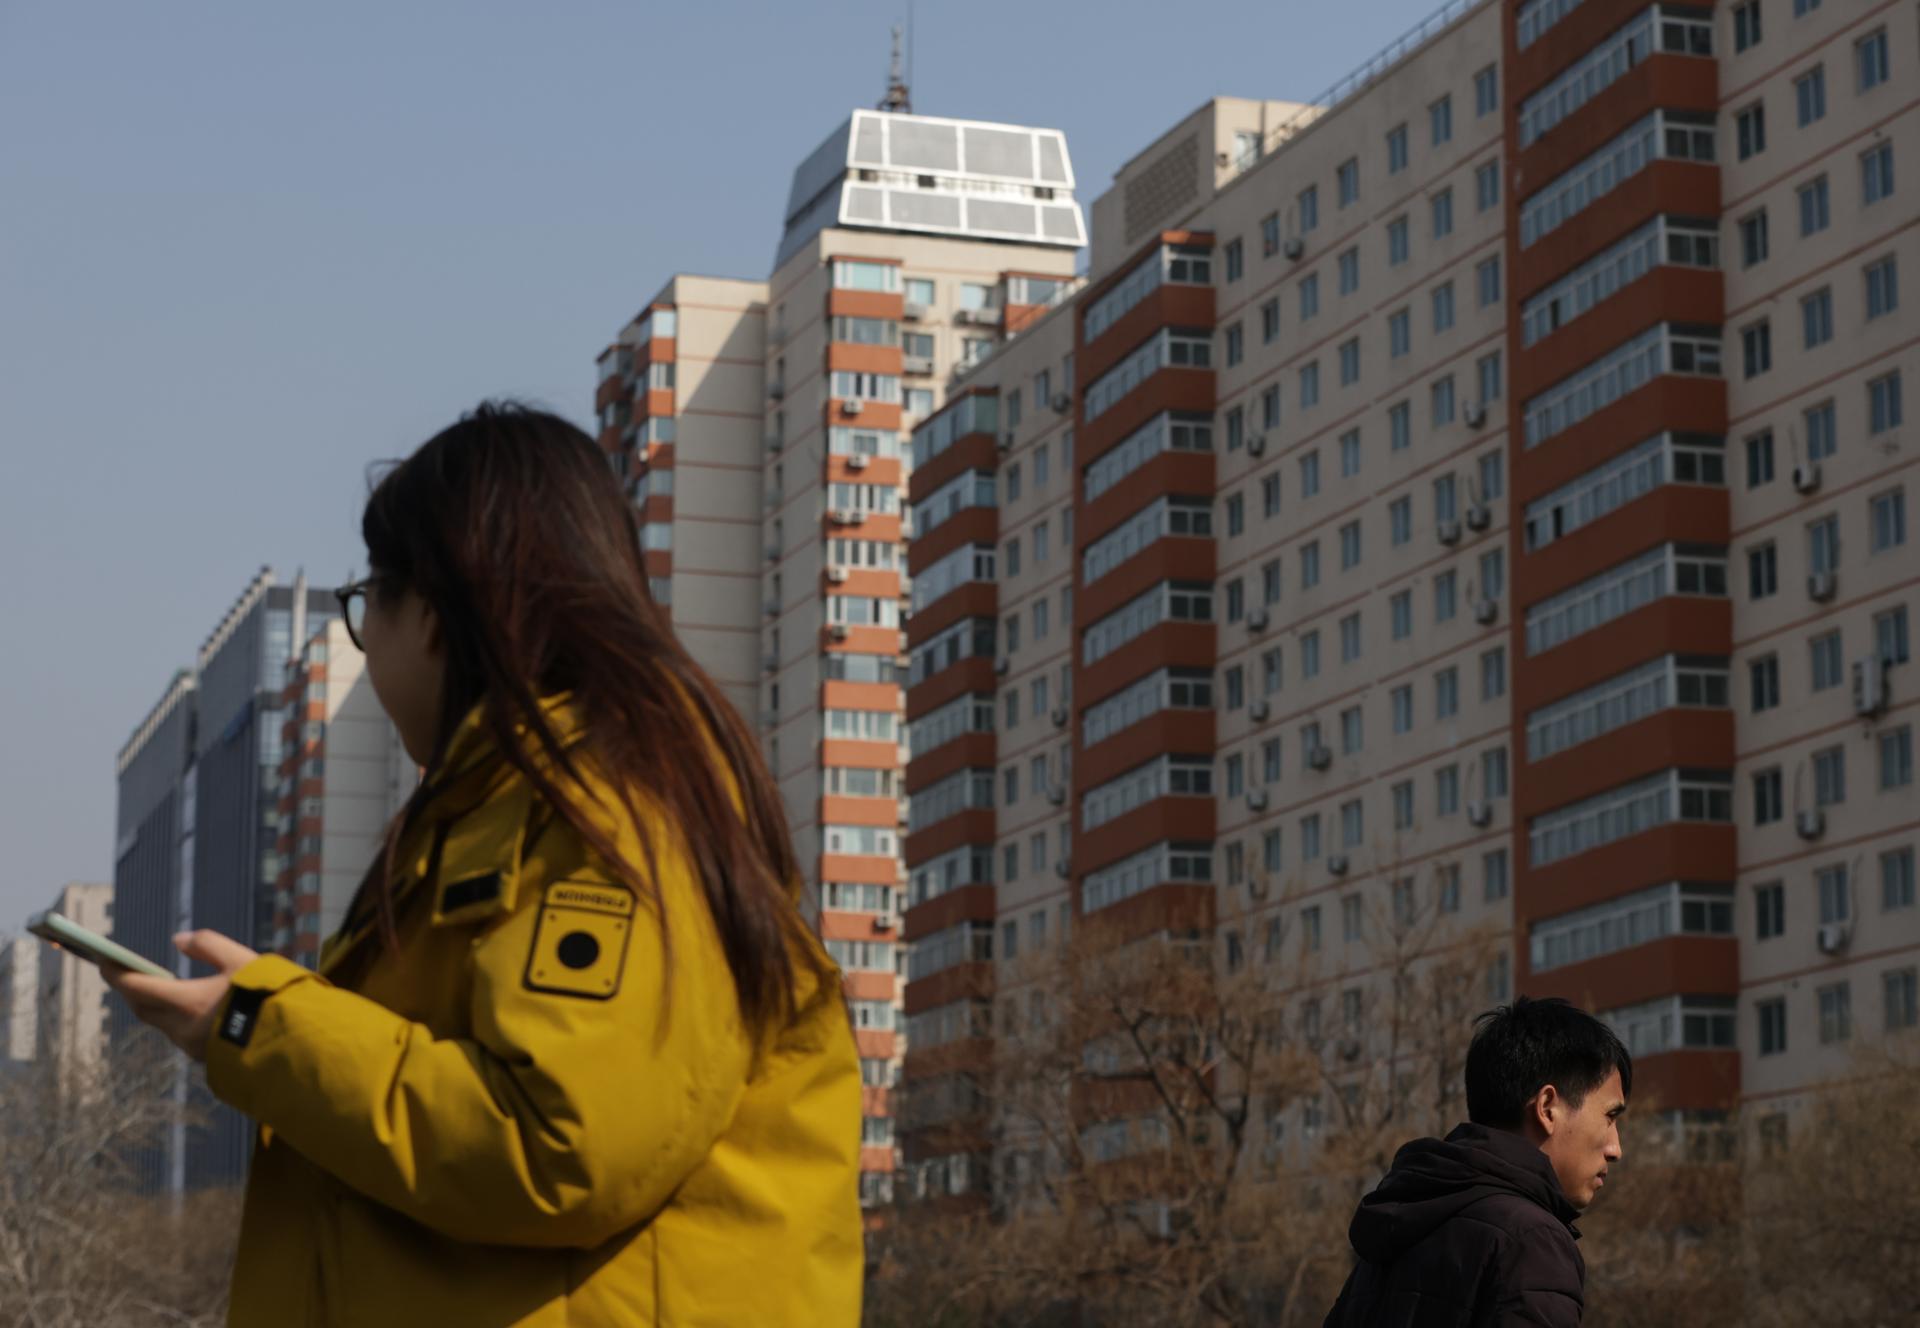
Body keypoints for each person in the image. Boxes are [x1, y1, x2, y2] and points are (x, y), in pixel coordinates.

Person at [107, 402, 864, 1326]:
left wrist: (270, 1031)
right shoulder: (504, 807)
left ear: (431, 608)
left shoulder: (611, 814)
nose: (367, 642)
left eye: (366, 604)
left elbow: (563, 1144)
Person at [1322, 995, 1630, 1328]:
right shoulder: (1530, 1240)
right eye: (1609, 1116)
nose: (1615, 1148)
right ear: (1547, 1108)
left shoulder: (1395, 1228)